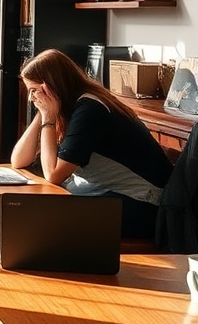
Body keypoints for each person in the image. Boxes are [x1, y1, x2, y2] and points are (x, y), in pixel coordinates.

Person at [10, 49, 173, 241]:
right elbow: (19, 160)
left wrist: (48, 117)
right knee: (35, 209)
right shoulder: (70, 106)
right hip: (112, 193)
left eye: (34, 91)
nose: (31, 99)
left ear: (52, 88)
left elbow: (53, 175)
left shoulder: (90, 110)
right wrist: (43, 113)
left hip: (141, 204)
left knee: (48, 220)